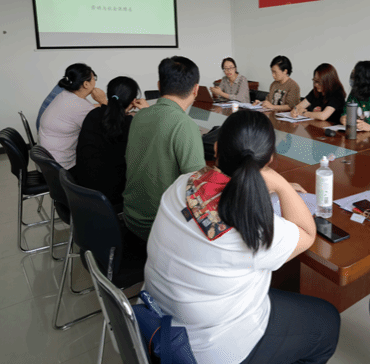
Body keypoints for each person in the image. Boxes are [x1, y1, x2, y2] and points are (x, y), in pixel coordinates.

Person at [144, 110, 340, 364]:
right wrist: (280, 185)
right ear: (269, 159)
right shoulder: (254, 225)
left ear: (216, 147)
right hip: (208, 348)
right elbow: (306, 232)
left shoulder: (182, 184)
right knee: (328, 320)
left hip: (155, 320)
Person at [122, 56, 206, 257]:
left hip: (131, 217)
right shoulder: (184, 125)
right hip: (160, 227)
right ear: (196, 89)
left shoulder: (139, 116)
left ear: (159, 86)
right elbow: (198, 189)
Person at [75, 76, 149, 212]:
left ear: (108, 95)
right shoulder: (131, 125)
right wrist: (146, 113)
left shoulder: (93, 114)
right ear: (134, 101)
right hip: (110, 198)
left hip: (82, 192)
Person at [39, 63, 107, 172]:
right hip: (62, 168)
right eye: (94, 78)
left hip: (47, 161)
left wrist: (105, 105)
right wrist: (103, 101)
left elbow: (87, 109)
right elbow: (105, 129)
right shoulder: (80, 106)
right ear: (86, 84)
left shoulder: (65, 95)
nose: (95, 82)